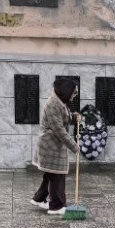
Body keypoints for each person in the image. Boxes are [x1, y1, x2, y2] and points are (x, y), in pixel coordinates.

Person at [31, 78, 80, 215]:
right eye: (73, 93)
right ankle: (57, 206)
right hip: (50, 146)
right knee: (57, 176)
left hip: (53, 144)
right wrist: (74, 146)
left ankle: (38, 198)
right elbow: (59, 129)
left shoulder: (59, 102)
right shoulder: (53, 104)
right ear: (66, 91)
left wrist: (74, 116)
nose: (73, 96)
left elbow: (63, 117)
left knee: (50, 174)